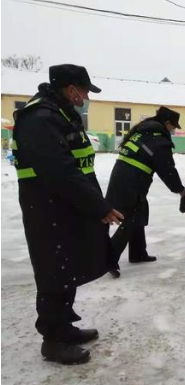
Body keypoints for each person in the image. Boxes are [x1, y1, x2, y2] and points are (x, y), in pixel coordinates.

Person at [12, 64, 123, 365]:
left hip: (66, 206)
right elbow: (60, 171)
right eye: (85, 90)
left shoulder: (59, 113)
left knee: (66, 266)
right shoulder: (39, 118)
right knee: (53, 270)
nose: (87, 96)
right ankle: (53, 340)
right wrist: (98, 206)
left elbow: (78, 166)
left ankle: (65, 327)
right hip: (47, 209)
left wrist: (92, 204)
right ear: (71, 89)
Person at [107, 106, 184, 278]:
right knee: (129, 217)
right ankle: (108, 258)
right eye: (173, 126)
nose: (173, 130)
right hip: (130, 182)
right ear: (166, 123)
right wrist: (180, 190)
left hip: (122, 177)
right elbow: (167, 170)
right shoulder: (157, 140)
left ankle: (138, 253)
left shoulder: (143, 132)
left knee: (139, 212)